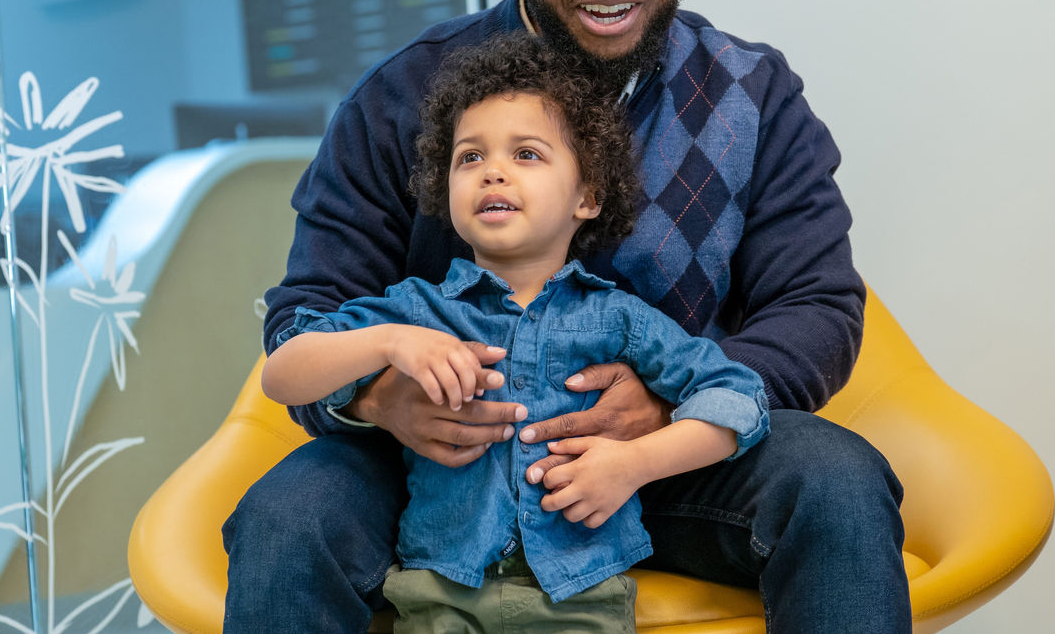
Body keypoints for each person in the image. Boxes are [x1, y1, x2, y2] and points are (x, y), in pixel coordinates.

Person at [224, 0, 911, 633]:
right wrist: (378, 398)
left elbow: (817, 307)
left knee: (838, 481)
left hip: (673, 467)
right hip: (440, 472)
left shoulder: (755, 96)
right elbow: (306, 318)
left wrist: (667, 409)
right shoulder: (400, 98)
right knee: (285, 517)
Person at [261, 35, 770, 632]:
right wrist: (387, 344)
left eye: (526, 154)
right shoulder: (413, 312)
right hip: (440, 594)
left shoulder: (619, 318)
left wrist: (636, 463)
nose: (492, 171)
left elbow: (738, 399)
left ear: (587, 197)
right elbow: (283, 375)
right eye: (469, 158)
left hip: (583, 598)